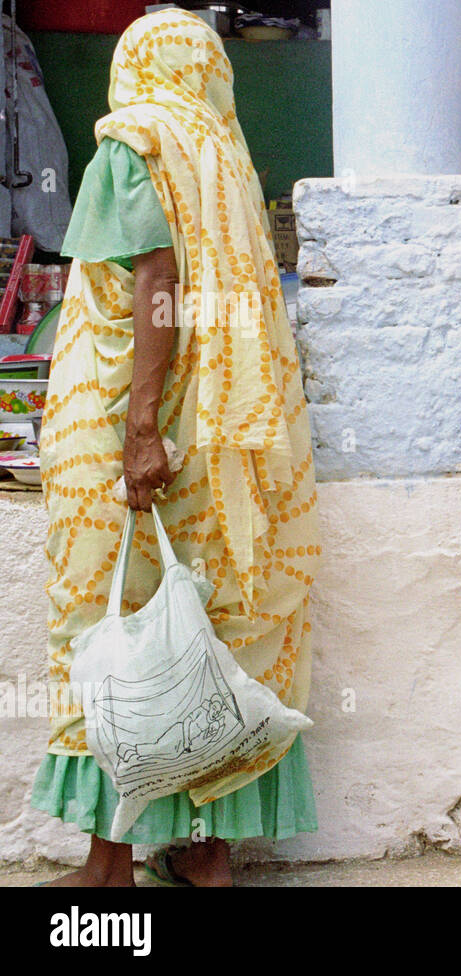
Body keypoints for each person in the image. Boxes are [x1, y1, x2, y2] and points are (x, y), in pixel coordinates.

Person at [33, 10, 321, 887]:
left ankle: (108, 864)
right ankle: (206, 853)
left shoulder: (136, 142)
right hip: (221, 443)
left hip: (138, 426)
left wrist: (140, 428)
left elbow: (154, 282)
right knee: (206, 635)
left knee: (109, 634)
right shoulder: (224, 154)